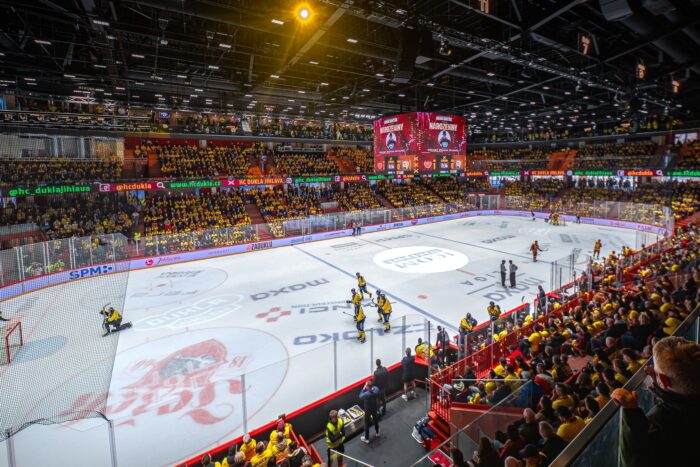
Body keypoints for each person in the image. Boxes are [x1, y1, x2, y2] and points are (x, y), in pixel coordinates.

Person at [611, 336, 700, 467]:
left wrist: (631, 413)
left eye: (656, 370)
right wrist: (659, 384)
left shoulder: (662, 422)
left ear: (664, 380)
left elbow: (635, 461)